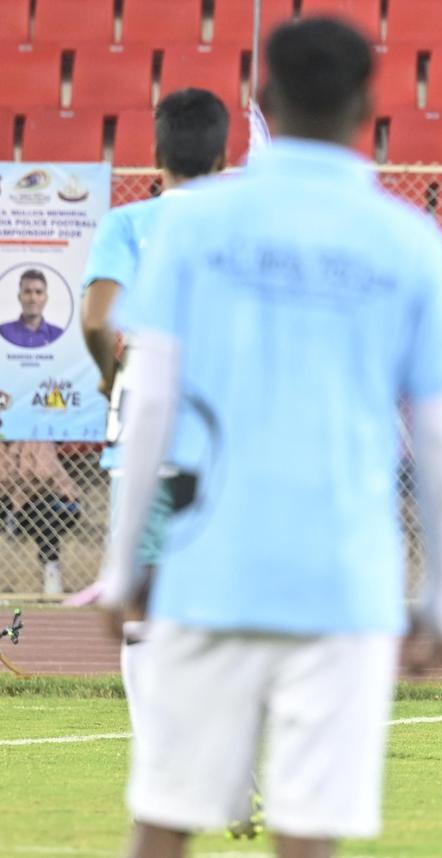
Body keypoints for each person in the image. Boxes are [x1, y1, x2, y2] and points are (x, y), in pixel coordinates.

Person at [96, 16, 442, 858]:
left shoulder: (191, 227)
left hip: (205, 567)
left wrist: (122, 565)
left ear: (262, 100)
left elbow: (149, 398)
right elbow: (440, 438)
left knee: (163, 819)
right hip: (344, 579)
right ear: (368, 108)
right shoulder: (412, 244)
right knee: (308, 834)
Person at [76, 84, 230, 741]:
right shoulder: (237, 225)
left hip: (147, 426)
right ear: (224, 157)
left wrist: (112, 375)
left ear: (155, 152)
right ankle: (229, 752)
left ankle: (159, 754)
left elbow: (95, 316)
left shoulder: (129, 225)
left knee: (141, 606)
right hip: (227, 428)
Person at [0, 441, 80, 594]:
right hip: (14, 500)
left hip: (60, 500)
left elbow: (45, 474)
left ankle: (52, 571)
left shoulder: (37, 437)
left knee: (44, 512)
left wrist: (17, 486)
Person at [0, 270, 64, 348]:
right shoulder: (3, 333)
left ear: (46, 298)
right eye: (27, 292)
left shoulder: (59, 335)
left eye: (39, 292)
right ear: (19, 297)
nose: (33, 298)